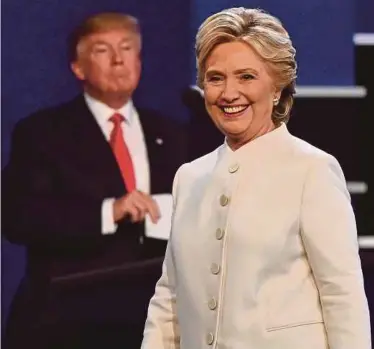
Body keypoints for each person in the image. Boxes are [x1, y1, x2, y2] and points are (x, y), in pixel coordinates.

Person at [141, 7, 371, 349]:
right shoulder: (189, 177)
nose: (229, 93)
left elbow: (343, 296)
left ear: (277, 88)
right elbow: (170, 299)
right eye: (216, 78)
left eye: (246, 77)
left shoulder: (312, 170)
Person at [2, 12, 187, 349]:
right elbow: (18, 218)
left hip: (152, 320)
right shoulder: (42, 133)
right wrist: (109, 211)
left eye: (127, 48)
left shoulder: (172, 133)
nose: (118, 60)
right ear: (78, 67)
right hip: (69, 319)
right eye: (103, 50)